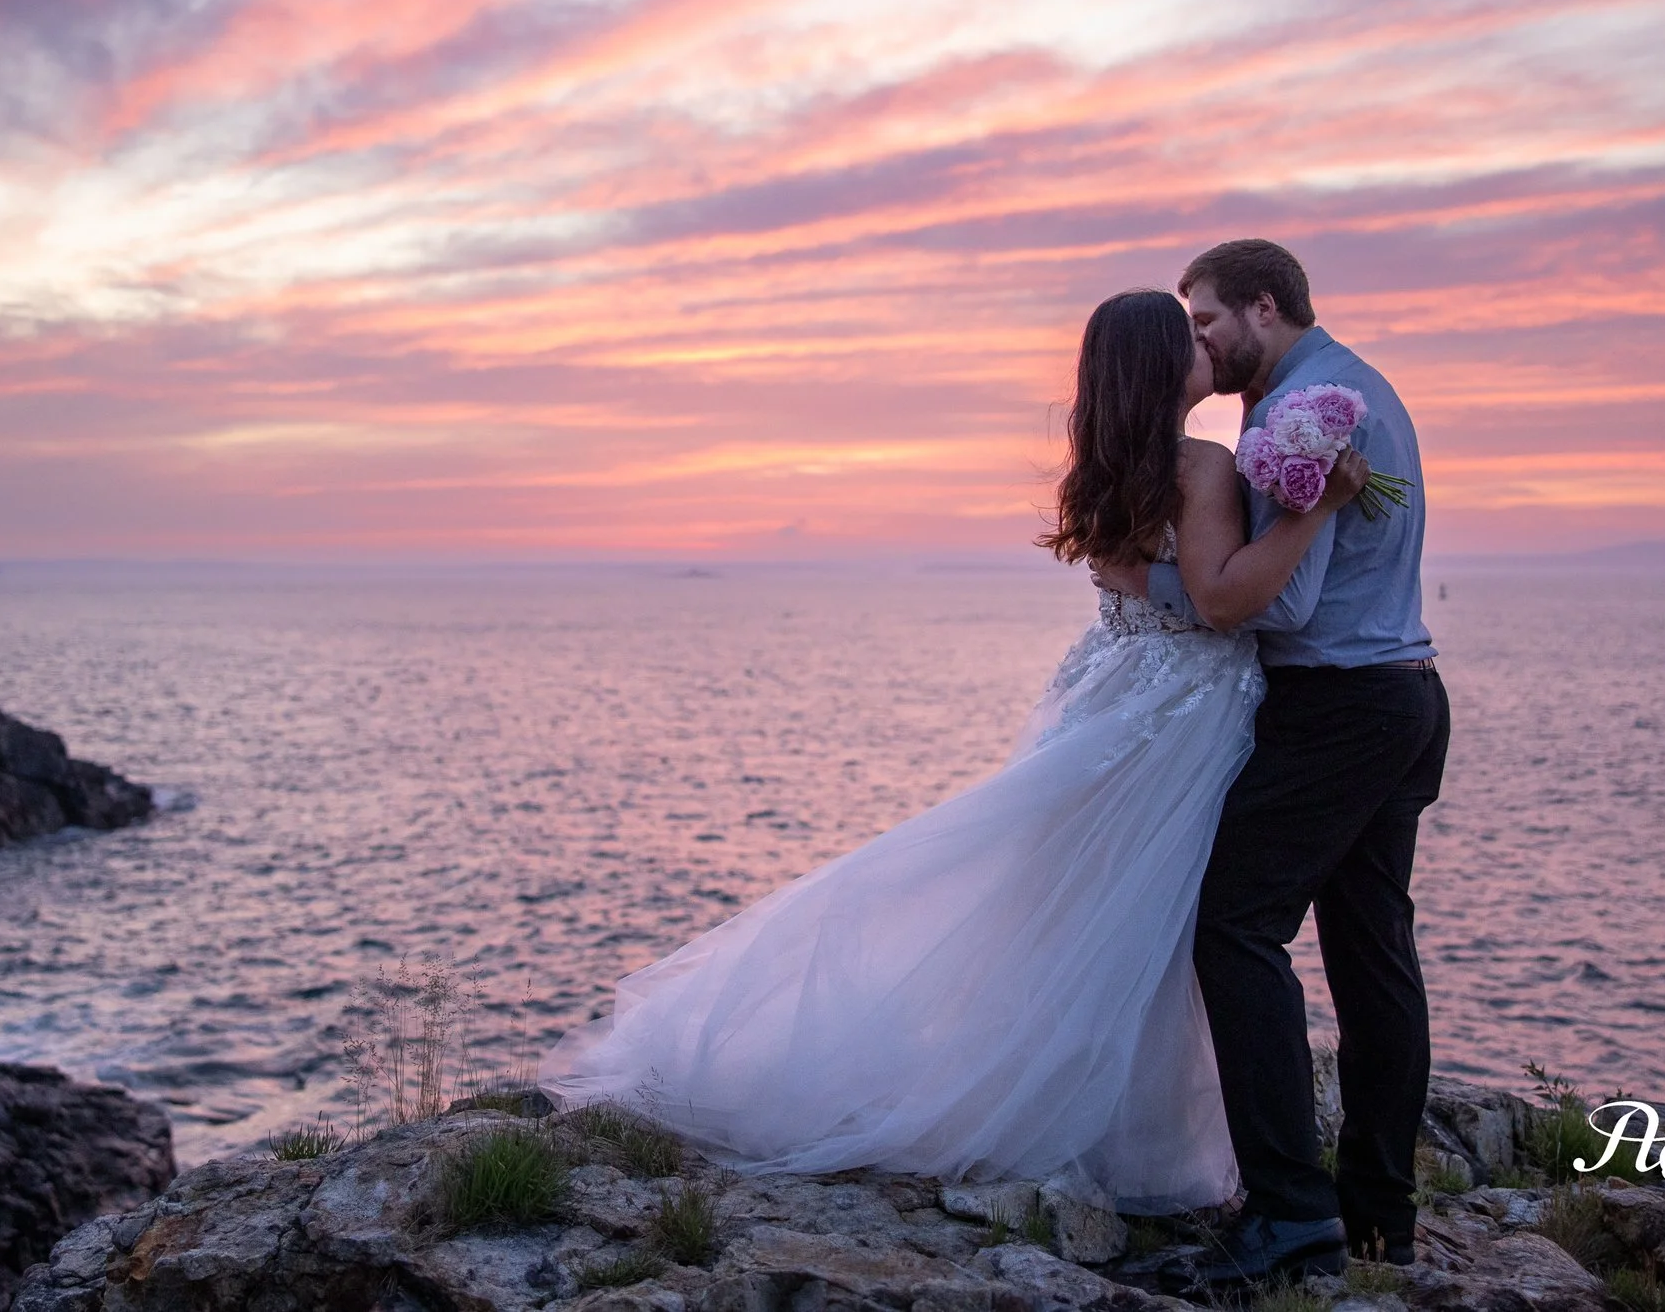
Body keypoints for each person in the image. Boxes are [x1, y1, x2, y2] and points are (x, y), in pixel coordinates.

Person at [540, 289, 1365, 1222]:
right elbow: (1221, 603)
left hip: (1114, 696)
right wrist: (1313, 510)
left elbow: (1148, 582)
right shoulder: (1200, 465)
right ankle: (1129, 1135)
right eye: (1187, 337)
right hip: (1179, 712)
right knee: (1151, 925)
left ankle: (1096, 1119)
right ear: (1159, 366)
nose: (1205, 343)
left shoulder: (1102, 472)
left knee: (1091, 916)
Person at [1094, 239, 1446, 1288]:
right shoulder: (1349, 384)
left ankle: (1294, 1220)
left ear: (1262, 305)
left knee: (1232, 927)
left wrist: (1176, 584)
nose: (1193, 344)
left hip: (1337, 705)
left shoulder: (1307, 411)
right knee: (1371, 950)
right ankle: (1378, 1217)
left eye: (1204, 323)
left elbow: (1280, 603)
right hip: (1401, 693)